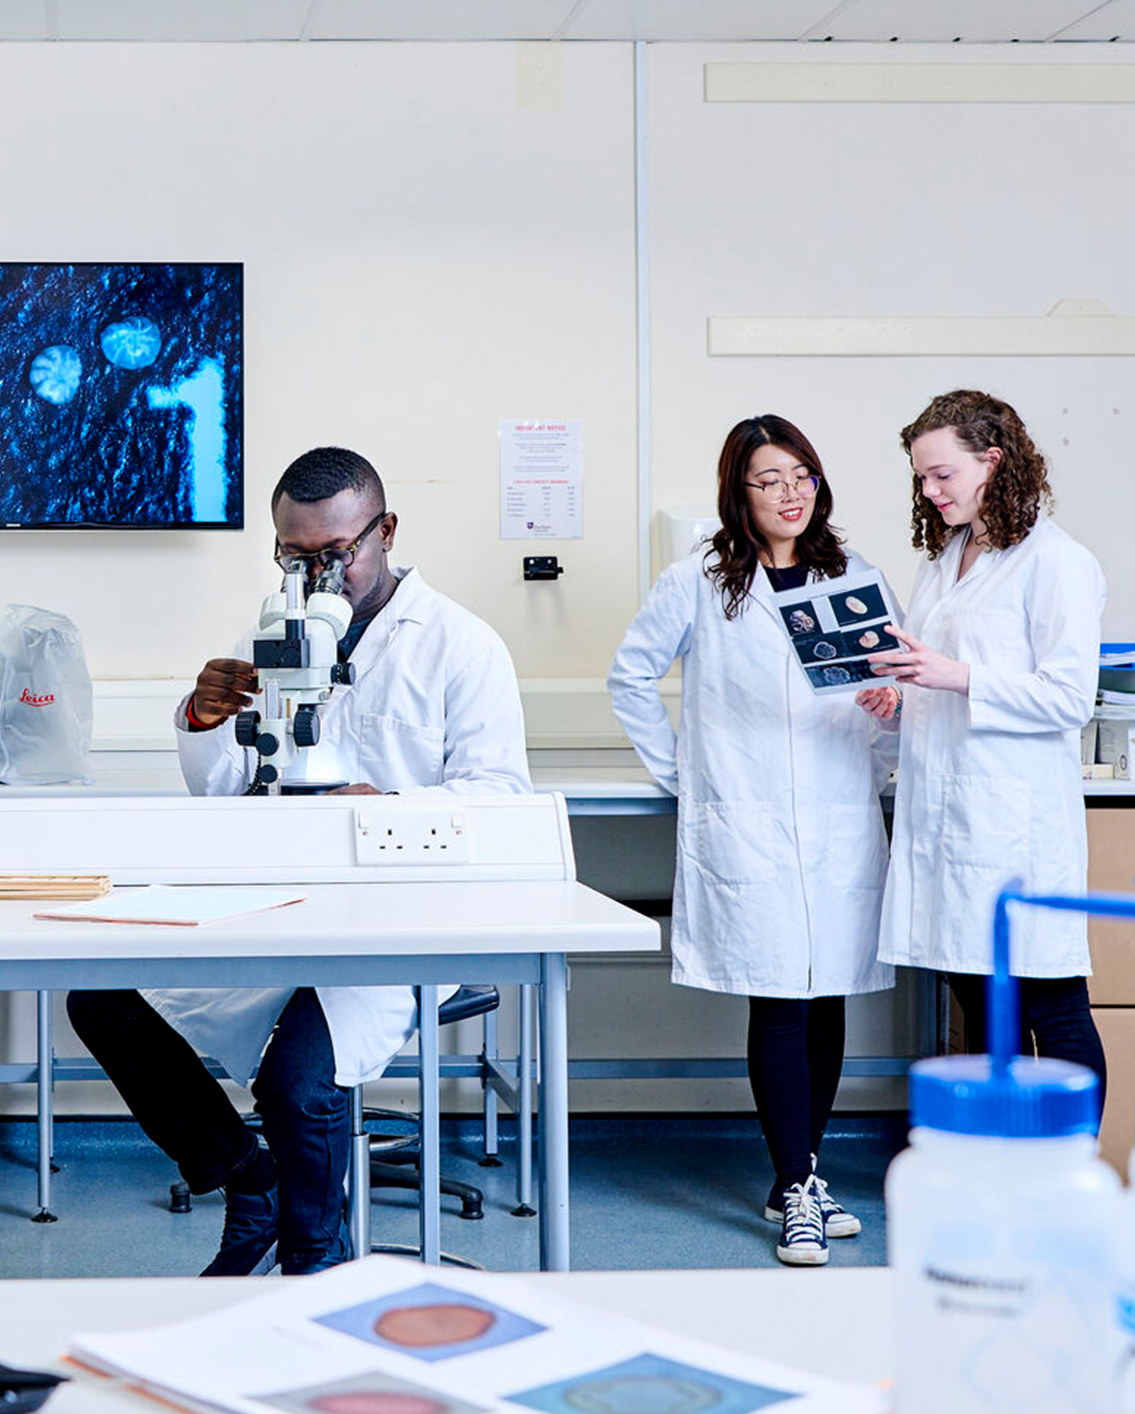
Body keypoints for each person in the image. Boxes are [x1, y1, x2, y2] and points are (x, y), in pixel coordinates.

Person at [68, 446, 532, 1276]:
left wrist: (385, 813)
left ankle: (313, 1264)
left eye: (334, 554)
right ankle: (247, 1178)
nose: (316, 575)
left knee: (296, 1084)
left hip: (398, 919)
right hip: (278, 898)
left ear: (384, 532)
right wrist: (203, 720)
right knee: (102, 997)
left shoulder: (461, 647)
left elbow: (498, 801)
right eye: (294, 556)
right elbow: (226, 794)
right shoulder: (276, 638)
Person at [607, 415, 896, 1267]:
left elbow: (889, 685)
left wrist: (883, 741)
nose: (789, 493)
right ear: (739, 493)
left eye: (801, 474)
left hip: (839, 815)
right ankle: (797, 1188)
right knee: (778, 994)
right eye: (768, 480)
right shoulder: (699, 580)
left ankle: (793, 1177)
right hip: (745, 816)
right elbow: (629, 677)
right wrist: (683, 774)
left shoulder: (855, 578)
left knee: (829, 989)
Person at [870, 390, 1109, 1101]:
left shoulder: (1056, 562)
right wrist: (901, 694)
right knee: (978, 1004)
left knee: (1051, 1008)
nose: (928, 490)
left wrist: (953, 675)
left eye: (941, 474)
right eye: (919, 477)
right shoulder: (947, 558)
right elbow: (941, 680)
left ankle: (1067, 1172)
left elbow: (1069, 697)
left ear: (992, 462)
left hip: (1015, 828)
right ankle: (1002, 1164)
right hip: (949, 822)